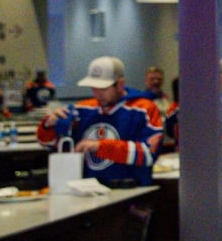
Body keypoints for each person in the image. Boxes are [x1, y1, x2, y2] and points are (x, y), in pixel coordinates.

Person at [34, 55, 164, 186]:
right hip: (89, 190)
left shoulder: (144, 109)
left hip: (131, 189)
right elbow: (48, 144)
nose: (97, 94)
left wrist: (100, 146)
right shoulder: (82, 109)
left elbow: (149, 154)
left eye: (103, 88)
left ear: (120, 85)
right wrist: (48, 126)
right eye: (93, 88)